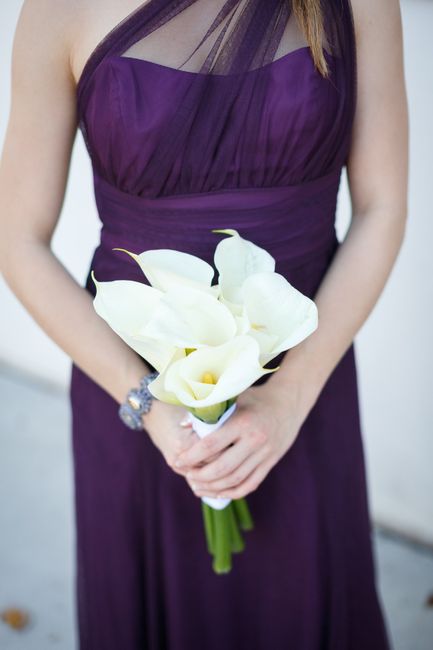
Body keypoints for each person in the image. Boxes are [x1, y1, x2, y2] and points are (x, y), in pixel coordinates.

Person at [0, 0, 408, 648]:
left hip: (305, 372)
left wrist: (288, 398)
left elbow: (381, 206)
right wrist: (148, 405)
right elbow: (17, 240)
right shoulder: (57, 10)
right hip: (132, 386)